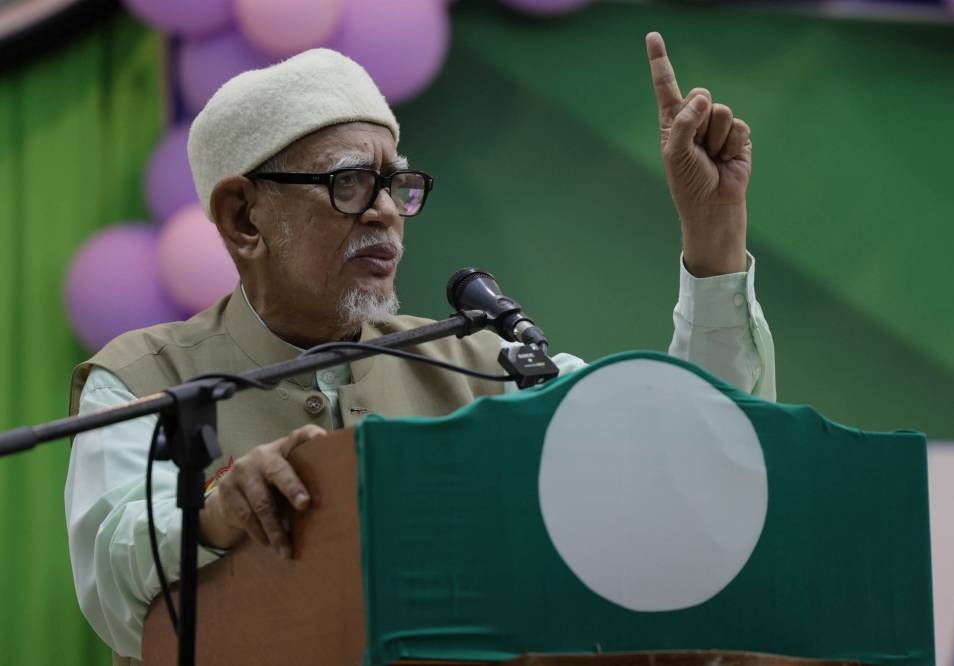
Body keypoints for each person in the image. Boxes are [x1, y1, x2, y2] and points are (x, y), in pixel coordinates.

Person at [64, 34, 774, 663]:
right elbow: (114, 583)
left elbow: (686, 454)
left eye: (394, 185)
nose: (382, 212)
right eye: (348, 183)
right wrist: (216, 511)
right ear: (244, 217)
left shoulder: (486, 362)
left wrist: (715, 234)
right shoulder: (143, 380)